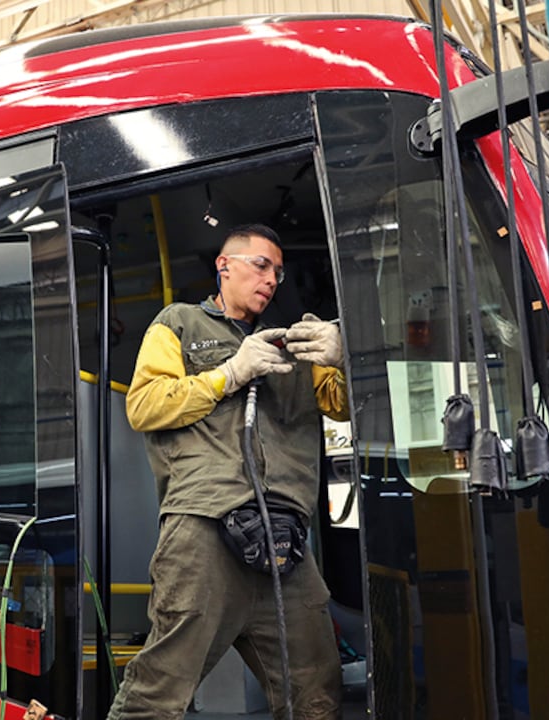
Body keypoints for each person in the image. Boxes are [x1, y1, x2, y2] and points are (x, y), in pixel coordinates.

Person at [108, 223, 349, 720]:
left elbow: (343, 406)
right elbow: (145, 406)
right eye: (261, 265)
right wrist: (229, 373)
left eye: (278, 273)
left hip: (285, 540)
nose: (271, 280)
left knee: (317, 695)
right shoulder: (179, 323)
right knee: (159, 693)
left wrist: (348, 356)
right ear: (225, 266)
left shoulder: (296, 343)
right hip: (204, 529)